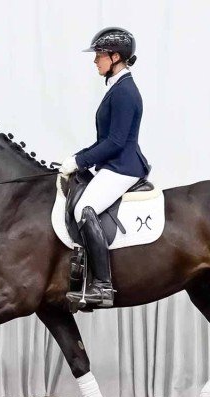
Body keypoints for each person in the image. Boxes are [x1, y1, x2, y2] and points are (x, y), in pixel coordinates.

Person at [60, 27, 151, 308]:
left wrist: (79, 161)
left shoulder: (125, 92)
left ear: (115, 56)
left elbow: (115, 141)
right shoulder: (117, 88)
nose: (95, 60)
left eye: (99, 55)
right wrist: (80, 157)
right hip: (113, 164)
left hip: (123, 166)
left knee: (84, 209)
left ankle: (102, 286)